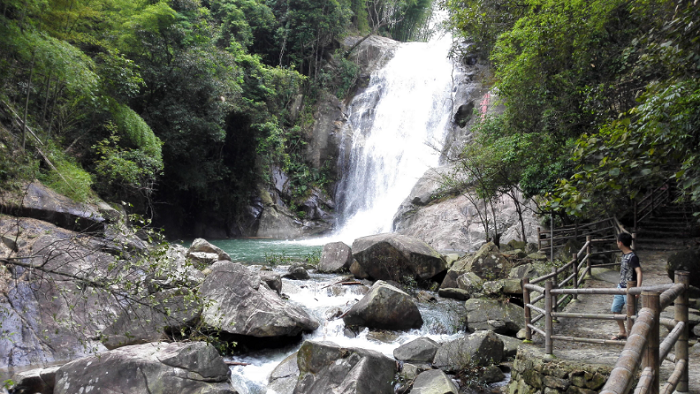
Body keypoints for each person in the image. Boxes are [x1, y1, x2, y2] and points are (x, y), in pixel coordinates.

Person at [611, 232, 642, 340]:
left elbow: (639, 272)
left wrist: (637, 289)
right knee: (615, 309)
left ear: (620, 243)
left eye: (617, 241)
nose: (617, 243)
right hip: (621, 286)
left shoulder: (632, 257)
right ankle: (623, 331)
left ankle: (635, 333)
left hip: (630, 288)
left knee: (632, 312)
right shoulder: (624, 255)